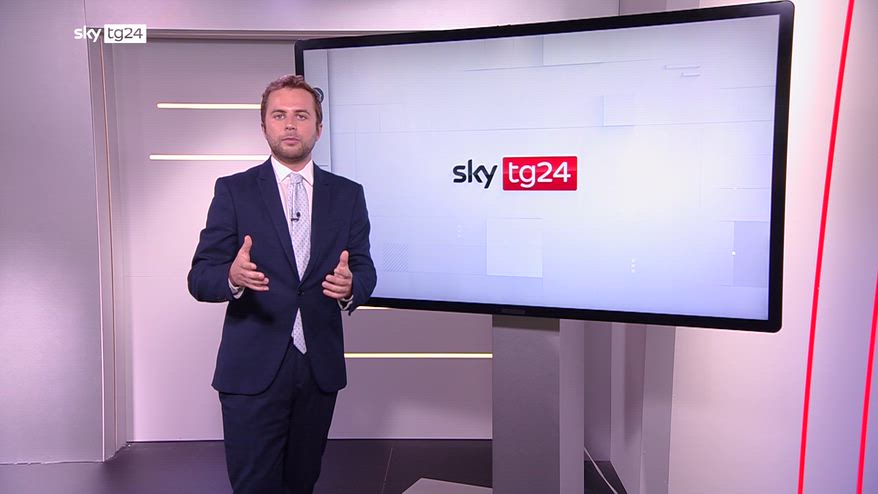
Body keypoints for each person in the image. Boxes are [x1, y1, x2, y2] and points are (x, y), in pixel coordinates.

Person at [187, 74, 377, 494]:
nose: (290, 124)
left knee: (301, 482)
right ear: (264, 127)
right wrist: (231, 277)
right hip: (252, 368)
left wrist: (351, 287)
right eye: (279, 115)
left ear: (319, 128)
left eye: (301, 115)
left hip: (318, 368)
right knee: (255, 485)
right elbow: (200, 276)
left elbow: (365, 268)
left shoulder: (348, 195)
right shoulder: (234, 191)